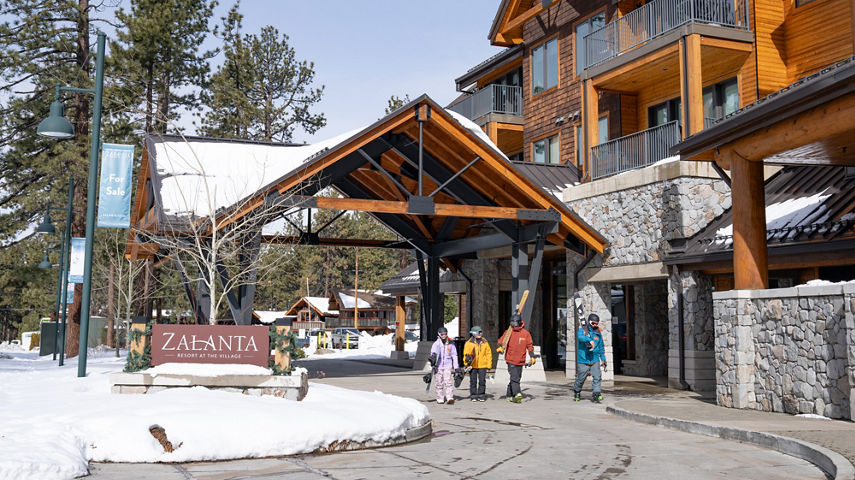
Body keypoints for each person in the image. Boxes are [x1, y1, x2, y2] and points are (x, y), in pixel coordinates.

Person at [496, 313, 534, 403]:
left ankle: (509, 395)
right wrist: (499, 346)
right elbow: (501, 341)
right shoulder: (508, 332)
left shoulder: (525, 334)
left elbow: (529, 345)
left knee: (516, 378)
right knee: (515, 377)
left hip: (520, 360)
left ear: (519, 322)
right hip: (511, 359)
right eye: (512, 323)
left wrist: (532, 356)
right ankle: (517, 393)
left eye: (515, 323)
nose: (513, 325)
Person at [573, 313, 607, 403]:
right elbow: (580, 337)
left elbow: (601, 347)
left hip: (594, 359)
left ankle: (596, 393)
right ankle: (577, 391)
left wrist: (603, 359)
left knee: (597, 377)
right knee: (581, 378)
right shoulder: (583, 331)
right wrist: (589, 340)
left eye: (596, 323)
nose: (595, 325)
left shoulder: (598, 333)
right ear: (589, 322)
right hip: (583, 359)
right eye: (593, 323)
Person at [429, 326, 459, 405]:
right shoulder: (436, 344)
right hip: (438, 366)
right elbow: (433, 354)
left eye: (445, 334)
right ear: (439, 335)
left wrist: (456, 367)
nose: (444, 336)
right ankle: (440, 397)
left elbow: (454, 355)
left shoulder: (450, 344)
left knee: (448, 381)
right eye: (442, 334)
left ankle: (449, 397)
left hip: (447, 366)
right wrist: (433, 362)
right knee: (439, 382)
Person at [463, 325, 492, 402]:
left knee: (482, 381)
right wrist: (466, 364)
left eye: (481, 332)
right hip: (473, 365)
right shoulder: (469, 343)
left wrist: (489, 365)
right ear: (473, 333)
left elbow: (488, 354)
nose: (480, 334)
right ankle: (473, 395)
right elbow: (466, 355)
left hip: (482, 365)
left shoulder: (485, 342)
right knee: (473, 381)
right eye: (478, 332)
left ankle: (481, 395)